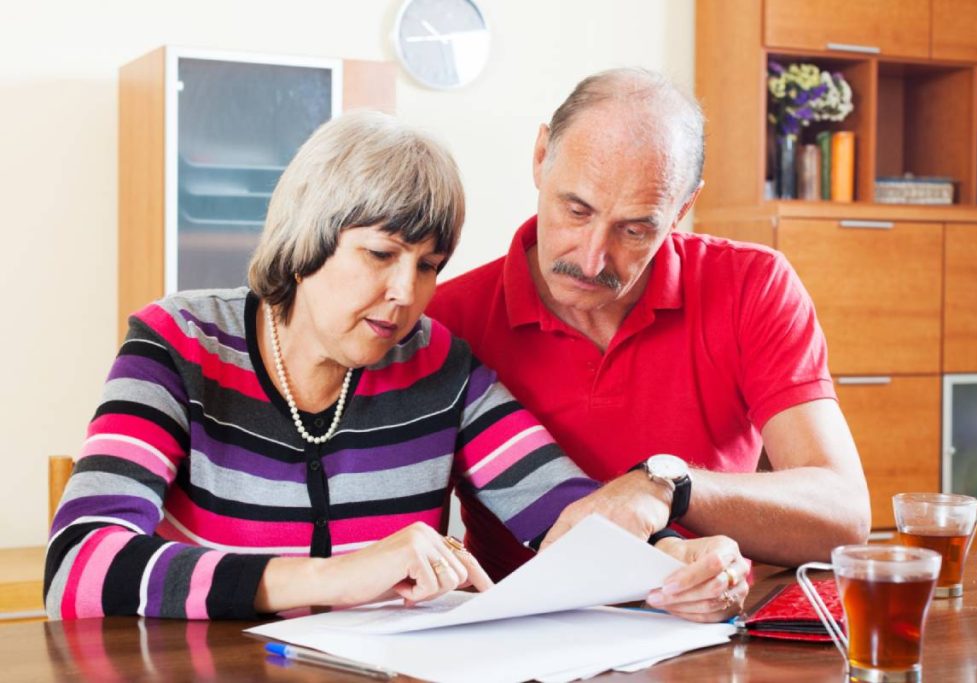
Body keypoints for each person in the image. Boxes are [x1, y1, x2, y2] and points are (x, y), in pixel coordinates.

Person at [46, 110, 749, 622]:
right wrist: (337, 576)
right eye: (380, 255)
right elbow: (78, 564)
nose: (405, 294)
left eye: (429, 266)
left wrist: (676, 564)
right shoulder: (178, 345)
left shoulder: (439, 365)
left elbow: (571, 518)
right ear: (308, 235)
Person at [427, 68, 872, 583]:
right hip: (520, 638)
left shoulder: (752, 285)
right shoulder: (445, 320)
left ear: (683, 207)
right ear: (540, 156)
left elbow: (844, 513)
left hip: (706, 631)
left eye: (635, 230)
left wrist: (666, 485)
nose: (592, 260)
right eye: (576, 210)